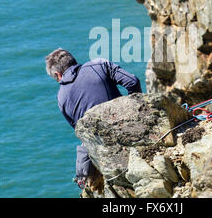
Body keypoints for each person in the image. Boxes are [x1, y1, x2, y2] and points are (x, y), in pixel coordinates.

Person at [45, 48, 142, 192]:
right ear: (73, 61)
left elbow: (79, 129)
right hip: (127, 128)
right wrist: (135, 112)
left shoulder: (61, 98)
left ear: (57, 74)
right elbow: (132, 82)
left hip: (101, 150)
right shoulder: (99, 65)